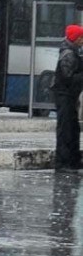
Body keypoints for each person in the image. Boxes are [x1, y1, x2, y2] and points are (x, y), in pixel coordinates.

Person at [51, 24, 83, 171]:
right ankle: (63, 163)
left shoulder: (73, 52)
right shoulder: (68, 55)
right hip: (65, 96)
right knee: (66, 129)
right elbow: (67, 77)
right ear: (76, 38)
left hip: (70, 96)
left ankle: (73, 160)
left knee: (73, 128)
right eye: (81, 38)